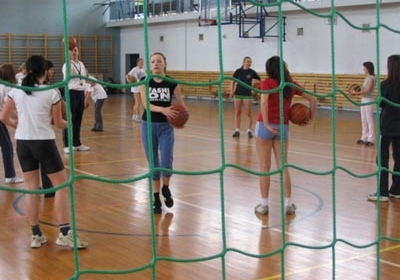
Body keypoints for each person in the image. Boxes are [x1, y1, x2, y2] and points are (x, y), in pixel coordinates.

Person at [0, 55, 88, 249]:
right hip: (44, 142)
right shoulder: (51, 92)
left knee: (32, 189)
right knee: (62, 187)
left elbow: (3, 116)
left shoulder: (16, 90)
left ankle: (36, 234)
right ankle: (65, 233)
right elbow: (58, 124)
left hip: (23, 143)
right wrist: (70, 123)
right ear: (44, 71)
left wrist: (18, 125)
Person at [254, 56, 316, 215]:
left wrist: (267, 124)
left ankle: (264, 205)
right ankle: (288, 204)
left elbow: (263, 103)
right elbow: (313, 99)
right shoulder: (290, 85)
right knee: (283, 167)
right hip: (283, 127)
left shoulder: (267, 83)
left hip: (264, 128)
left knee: (264, 168)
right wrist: (310, 117)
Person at [139, 52, 187, 214]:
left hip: (166, 127)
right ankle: (156, 198)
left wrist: (181, 120)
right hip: (148, 125)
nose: (156, 64)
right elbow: (146, 105)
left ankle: (166, 188)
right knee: (154, 165)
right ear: (149, 65)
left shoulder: (172, 82)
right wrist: (163, 109)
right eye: (152, 61)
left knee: (167, 162)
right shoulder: (144, 81)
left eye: (159, 61)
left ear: (164, 63)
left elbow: (181, 105)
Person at [368, 54, 400, 202]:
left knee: (382, 159)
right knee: (399, 158)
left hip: (387, 127)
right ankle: (396, 190)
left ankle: (382, 193)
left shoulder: (385, 84)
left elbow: (381, 104)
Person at [62, 37, 90, 154]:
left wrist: (85, 96)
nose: (74, 52)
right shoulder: (67, 64)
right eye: (72, 50)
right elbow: (68, 75)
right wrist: (68, 56)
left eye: (75, 50)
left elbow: (84, 80)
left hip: (80, 93)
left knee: (78, 119)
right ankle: (67, 144)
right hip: (71, 92)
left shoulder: (81, 64)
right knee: (69, 119)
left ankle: (77, 143)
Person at [0, 64, 23, 184]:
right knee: (7, 147)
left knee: (7, 146)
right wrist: (15, 123)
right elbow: (6, 111)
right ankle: (10, 176)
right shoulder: (6, 87)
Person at [230, 56, 261, 139]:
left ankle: (249, 130)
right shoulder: (238, 71)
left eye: (250, 62)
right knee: (237, 112)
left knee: (248, 113)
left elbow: (260, 80)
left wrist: (256, 88)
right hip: (238, 94)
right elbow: (232, 81)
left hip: (247, 94)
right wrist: (232, 90)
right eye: (247, 61)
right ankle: (237, 130)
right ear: (243, 62)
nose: (249, 63)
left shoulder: (252, 72)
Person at [350, 61, 376, 146]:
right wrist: (354, 92)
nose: (363, 69)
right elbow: (362, 89)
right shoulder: (366, 78)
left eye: (364, 67)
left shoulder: (371, 78)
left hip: (369, 100)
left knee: (369, 119)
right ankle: (364, 137)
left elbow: (367, 90)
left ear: (368, 68)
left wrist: (357, 93)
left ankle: (371, 139)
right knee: (363, 119)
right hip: (364, 99)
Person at [127, 58, 146, 122]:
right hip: (135, 88)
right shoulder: (135, 69)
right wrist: (129, 80)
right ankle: (137, 117)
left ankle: (134, 116)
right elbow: (128, 75)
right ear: (137, 63)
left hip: (141, 88)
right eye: (140, 62)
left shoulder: (143, 70)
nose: (142, 63)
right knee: (137, 103)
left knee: (137, 103)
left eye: (142, 62)